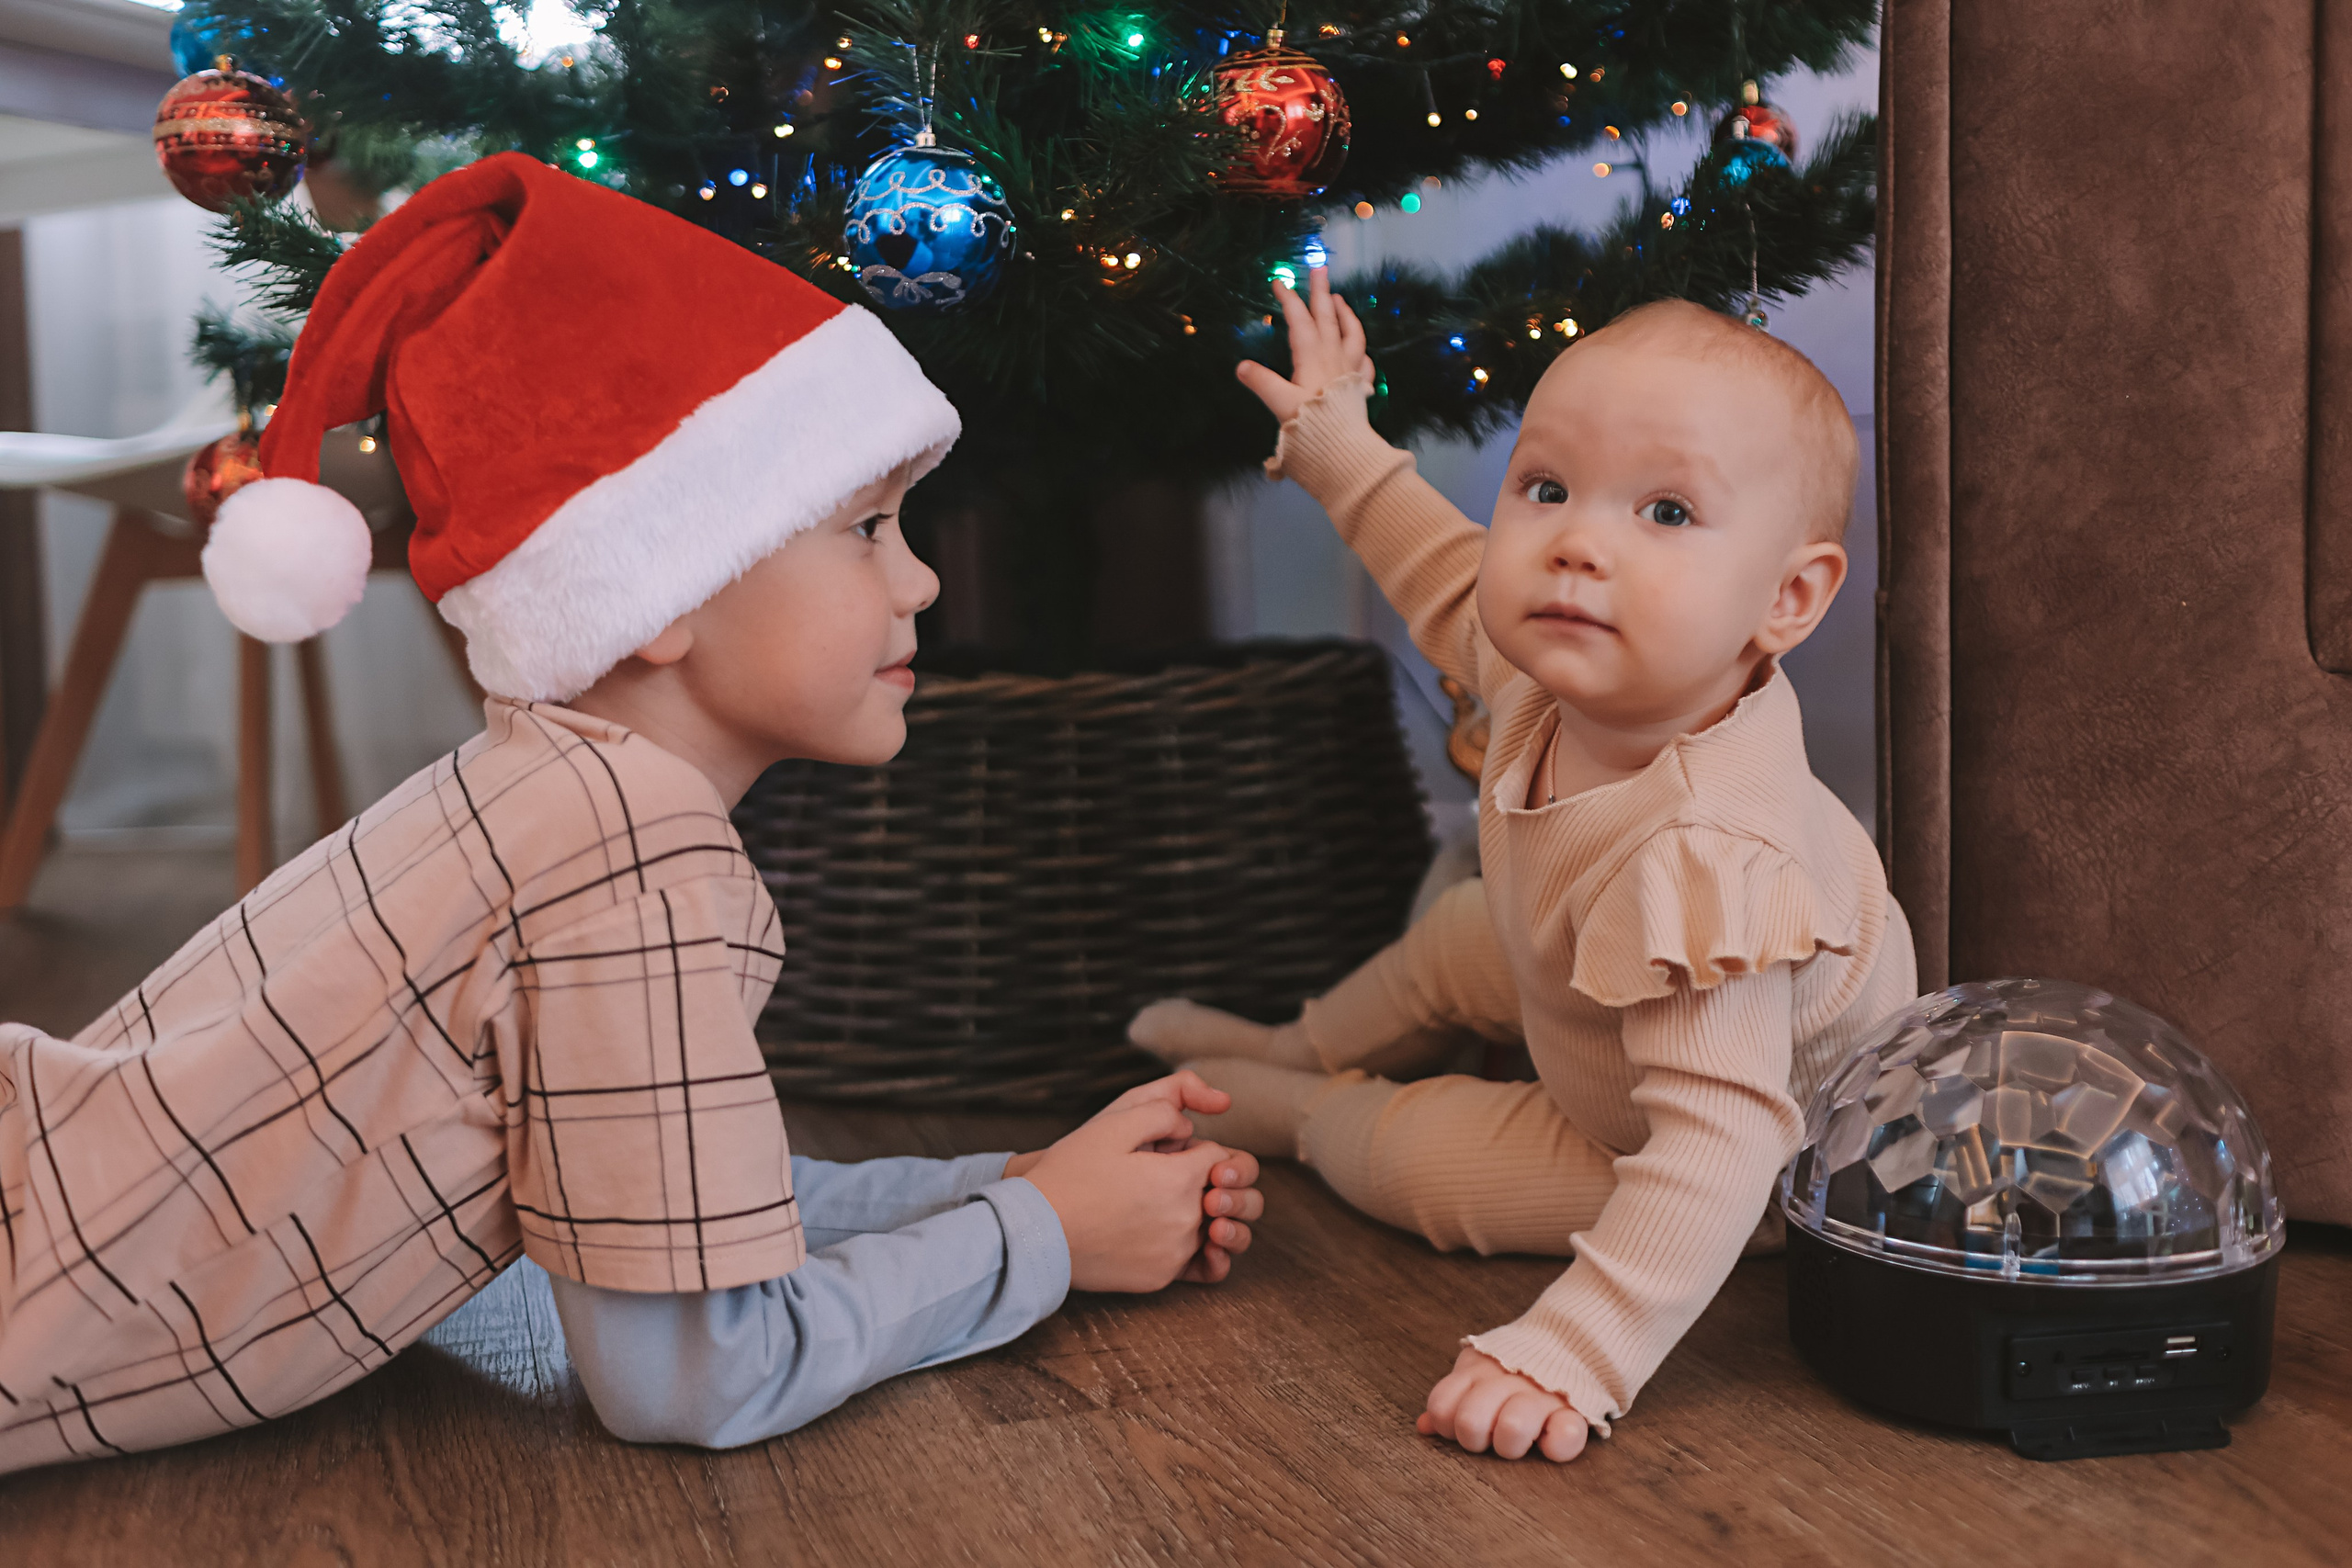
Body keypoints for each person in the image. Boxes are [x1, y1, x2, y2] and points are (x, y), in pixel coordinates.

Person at [0, 153, 1262, 1475]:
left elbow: (676, 1201)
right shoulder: (635, 859)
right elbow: (697, 1370)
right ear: (663, 588)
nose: (927, 580)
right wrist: (1046, 1238)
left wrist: (1016, 1183)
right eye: (871, 528)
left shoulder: (547, 793)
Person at [1131, 272, 1914, 1463]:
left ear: (1787, 598)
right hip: (1583, 1005)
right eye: (1546, 488)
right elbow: (1443, 570)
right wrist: (1338, 441)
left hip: (1690, 1156)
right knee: (1458, 935)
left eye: (1664, 513)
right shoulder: (1551, 678)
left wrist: (1572, 1353)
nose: (1577, 543)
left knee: (1420, 1159)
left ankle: (1292, 1108)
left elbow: (1717, 1148)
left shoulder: (1715, 855)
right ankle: (1293, 1040)